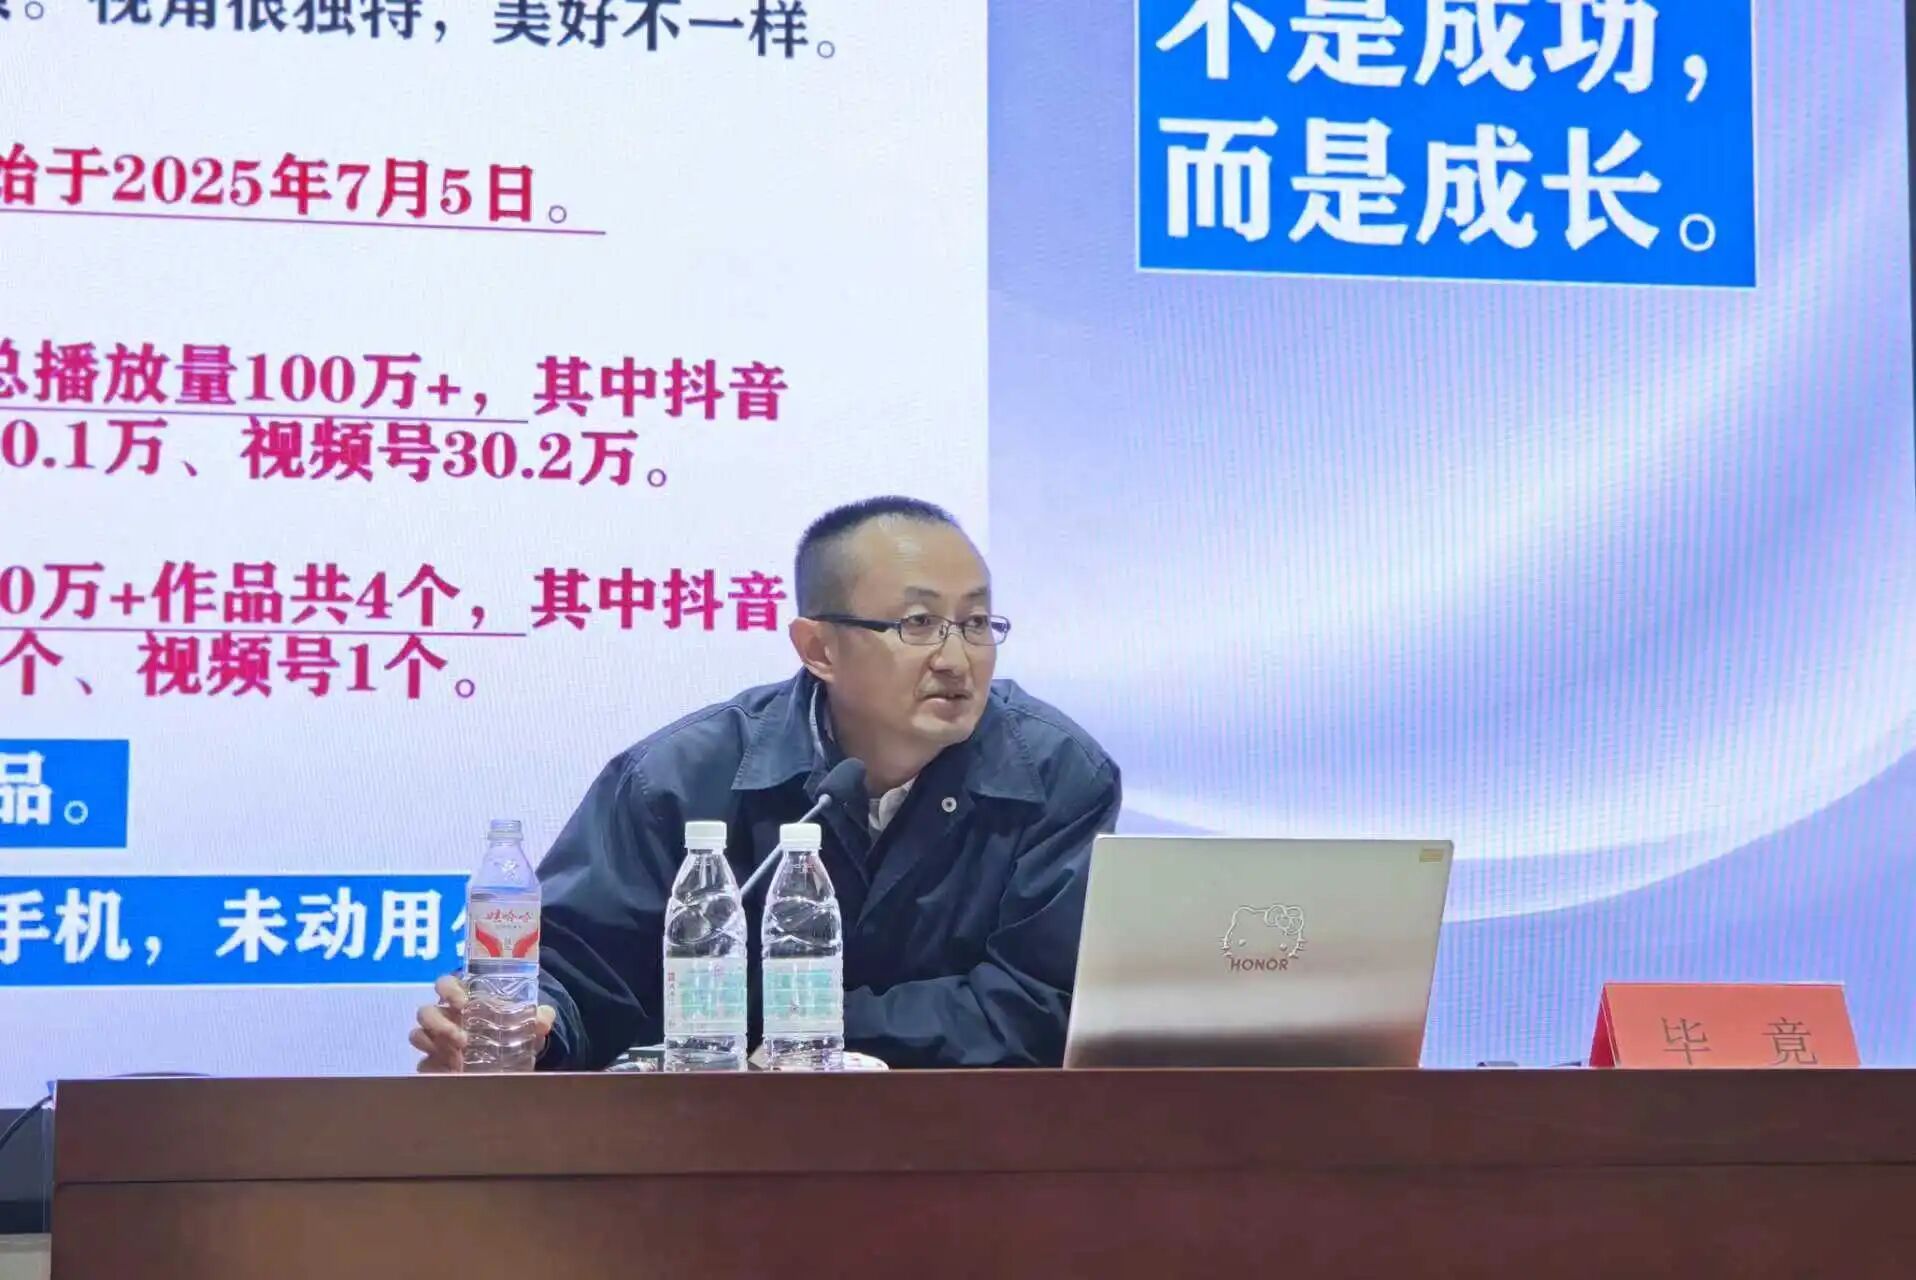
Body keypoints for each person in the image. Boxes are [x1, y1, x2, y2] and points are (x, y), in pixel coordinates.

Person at [412, 496, 1121, 1071]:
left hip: (975, 1156)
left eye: (975, 623)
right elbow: (579, 970)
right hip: (711, 1156)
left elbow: (1043, 1005)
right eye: (918, 624)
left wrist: (793, 1026)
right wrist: (523, 1030)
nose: (956, 658)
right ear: (819, 648)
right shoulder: (680, 780)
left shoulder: (1058, 775)